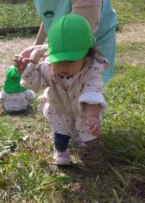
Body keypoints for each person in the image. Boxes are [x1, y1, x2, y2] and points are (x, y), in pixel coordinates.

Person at [18, 14, 108, 165]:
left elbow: (92, 92)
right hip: (59, 108)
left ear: (87, 56)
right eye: (59, 61)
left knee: (80, 126)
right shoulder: (49, 67)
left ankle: (78, 137)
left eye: (71, 60)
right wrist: (27, 70)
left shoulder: (90, 70)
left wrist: (92, 116)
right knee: (61, 134)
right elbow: (37, 83)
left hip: (81, 109)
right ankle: (61, 151)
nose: (64, 66)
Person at [20, 0, 117, 83]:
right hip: (63, 43)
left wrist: (44, 50)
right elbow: (52, 15)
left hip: (93, 38)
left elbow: (79, 34)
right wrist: (36, 46)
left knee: (89, 85)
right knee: (59, 84)